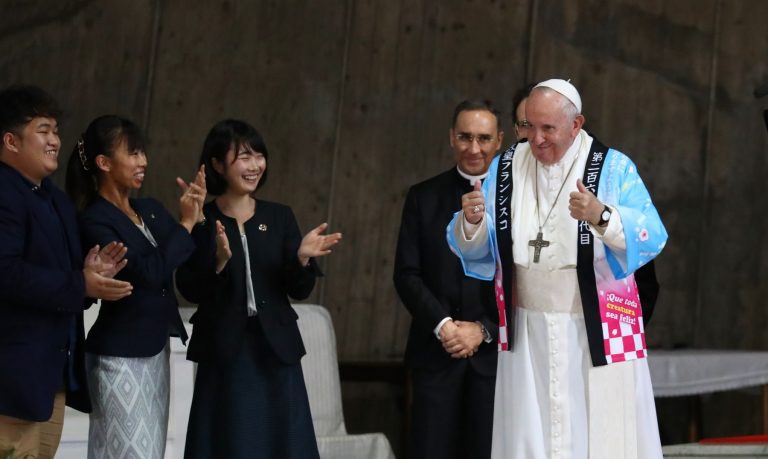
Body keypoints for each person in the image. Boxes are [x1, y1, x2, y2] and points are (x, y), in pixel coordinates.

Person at [447, 79, 668, 458]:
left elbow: (652, 234)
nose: (536, 139)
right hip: (527, 329)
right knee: (530, 436)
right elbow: (480, 245)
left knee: (599, 436)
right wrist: (470, 222)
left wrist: (601, 215)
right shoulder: (504, 167)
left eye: (548, 128)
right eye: (528, 127)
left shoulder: (613, 167)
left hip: (594, 326)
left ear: (576, 124)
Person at [176, 119, 342, 458]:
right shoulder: (200, 218)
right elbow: (189, 288)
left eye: (259, 156)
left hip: (275, 350)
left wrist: (301, 260)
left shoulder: (280, 217)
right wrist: (219, 261)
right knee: (229, 442)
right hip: (225, 351)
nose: (255, 166)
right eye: (244, 157)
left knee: (284, 443)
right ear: (218, 164)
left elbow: (300, 290)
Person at [0, 85, 132, 459]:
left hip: (49, 376)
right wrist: (79, 282)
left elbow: (66, 281)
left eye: (56, 131)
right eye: (43, 130)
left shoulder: (55, 198)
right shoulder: (4, 192)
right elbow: (5, 272)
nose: (55, 140)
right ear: (11, 140)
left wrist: (92, 276)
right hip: (11, 378)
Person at [65, 115, 206, 458]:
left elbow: (183, 257)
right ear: (104, 163)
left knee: (145, 451)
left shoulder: (151, 210)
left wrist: (197, 220)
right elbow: (149, 272)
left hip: (155, 351)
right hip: (118, 355)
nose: (143, 161)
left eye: (143, 153)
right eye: (133, 153)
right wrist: (184, 223)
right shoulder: (94, 219)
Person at [393, 99, 503, 459]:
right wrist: (445, 327)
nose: (475, 148)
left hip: (494, 358)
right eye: (465, 137)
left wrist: (483, 328)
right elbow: (407, 274)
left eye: (484, 138)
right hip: (435, 353)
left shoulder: (515, 202)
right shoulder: (423, 197)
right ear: (451, 138)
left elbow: (521, 281)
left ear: (499, 140)